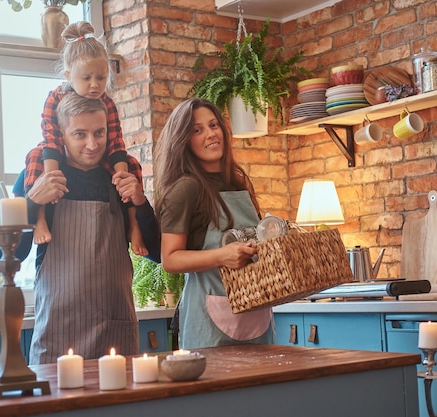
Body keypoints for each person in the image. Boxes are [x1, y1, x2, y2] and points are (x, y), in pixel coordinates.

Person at [25, 92, 160, 364]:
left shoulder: (119, 177)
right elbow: (11, 254)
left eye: (99, 132)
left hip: (114, 331)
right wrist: (31, 202)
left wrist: (141, 202)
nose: (92, 144)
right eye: (79, 134)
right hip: (57, 335)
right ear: (61, 135)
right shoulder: (42, 174)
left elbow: (157, 252)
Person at [153, 97, 274, 349]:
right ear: (183, 140)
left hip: (257, 314)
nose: (210, 134)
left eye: (213, 125)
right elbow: (170, 259)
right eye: (197, 130)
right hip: (210, 320)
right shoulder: (186, 189)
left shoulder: (237, 181)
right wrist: (222, 256)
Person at [24, 20, 147, 256]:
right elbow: (50, 138)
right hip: (54, 156)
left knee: (131, 166)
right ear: (69, 75)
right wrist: (48, 181)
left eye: (101, 78)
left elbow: (116, 143)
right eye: (87, 78)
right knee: (35, 156)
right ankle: (40, 219)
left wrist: (123, 179)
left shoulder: (108, 102)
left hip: (114, 289)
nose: (94, 85)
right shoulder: (55, 98)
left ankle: (133, 225)